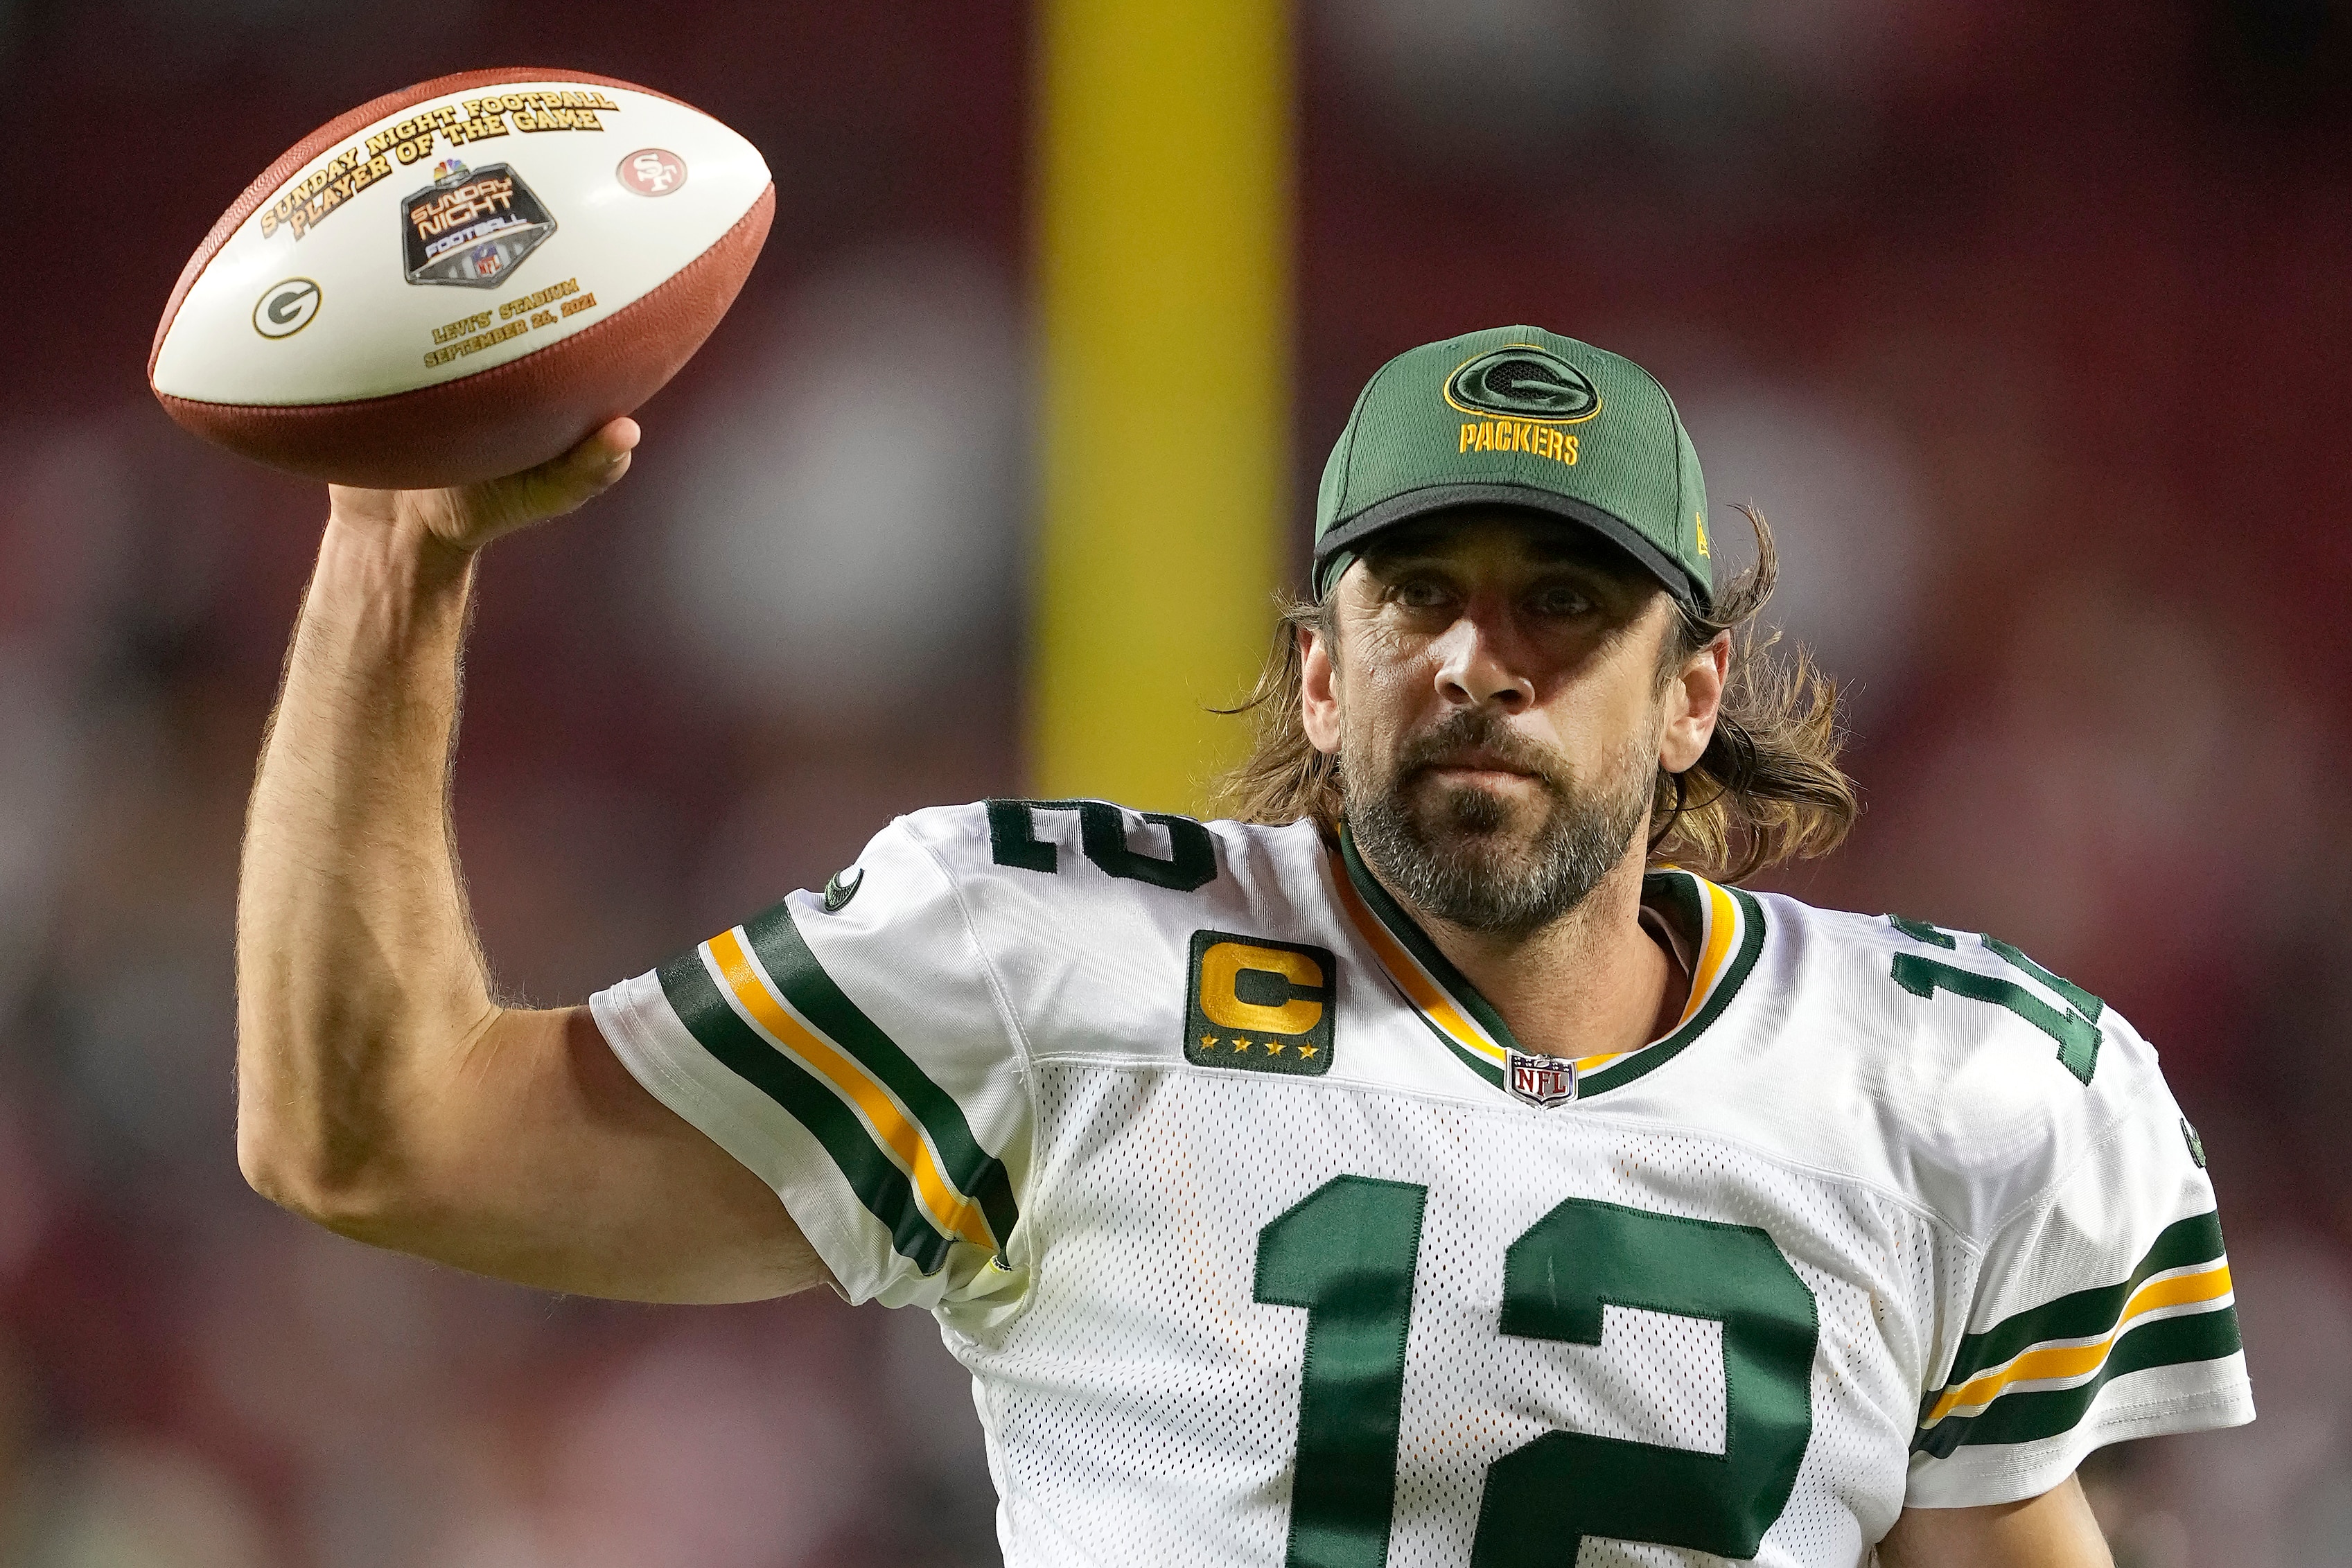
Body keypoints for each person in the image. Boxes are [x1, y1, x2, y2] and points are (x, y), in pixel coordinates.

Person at [235, 326, 2252, 1567]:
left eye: (1565, 604)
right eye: (1416, 596)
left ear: (1694, 689)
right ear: (1318, 670)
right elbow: (372, 1135)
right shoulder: (1050, 966)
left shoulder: (1960, 1086)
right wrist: (393, 550)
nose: (1481, 661)